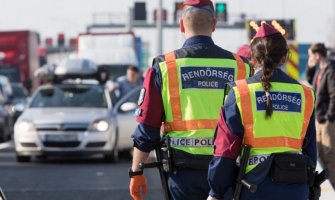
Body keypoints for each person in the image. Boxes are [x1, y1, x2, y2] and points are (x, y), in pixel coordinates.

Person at [129, 0, 251, 199]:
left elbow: (148, 127)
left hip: (182, 173)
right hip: (230, 171)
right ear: (214, 25)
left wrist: (136, 171)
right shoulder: (242, 67)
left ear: (181, 25)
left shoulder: (164, 67)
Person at [207, 23, 316, 200]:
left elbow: (226, 150)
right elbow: (310, 151)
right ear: (285, 57)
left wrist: (216, 191)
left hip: (254, 188)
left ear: (253, 59)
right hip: (296, 188)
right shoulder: (306, 94)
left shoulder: (240, 93)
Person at [306, 43, 335, 188]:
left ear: (318, 55)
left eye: (311, 55)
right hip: (320, 119)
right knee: (321, 153)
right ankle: (329, 182)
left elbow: (333, 94)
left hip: (328, 120)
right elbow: (311, 81)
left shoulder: (331, 70)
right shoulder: (321, 71)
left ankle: (334, 183)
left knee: (330, 154)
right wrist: (310, 67)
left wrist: (329, 116)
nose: (310, 58)